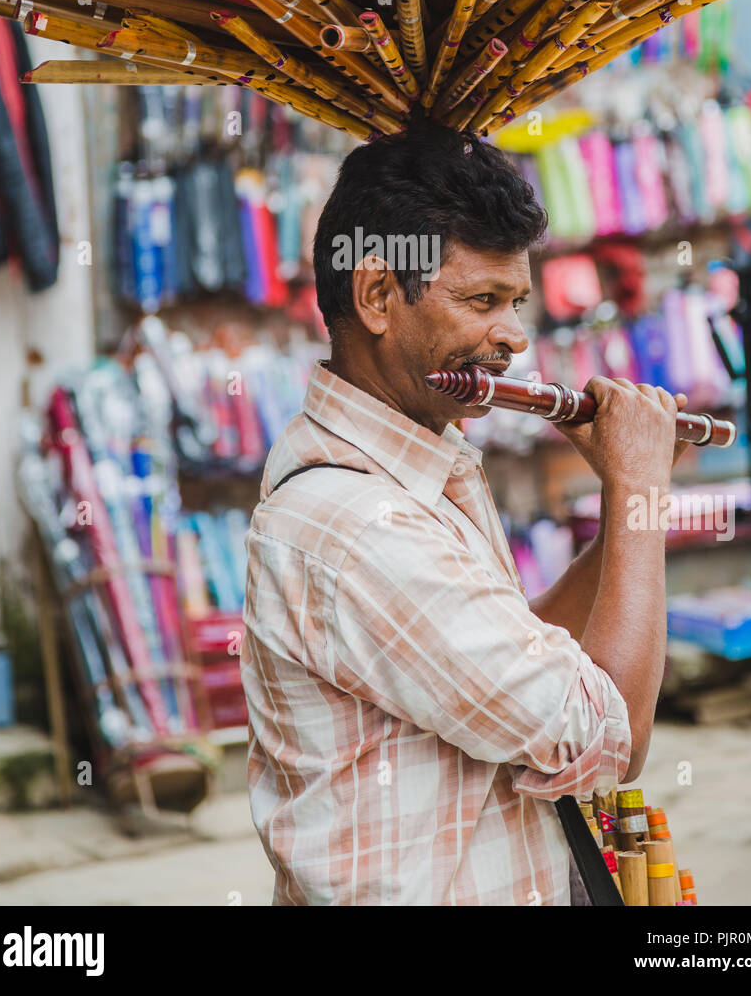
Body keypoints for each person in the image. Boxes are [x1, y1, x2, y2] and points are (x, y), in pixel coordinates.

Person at [240, 119, 688, 906]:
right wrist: (643, 493)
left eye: (515, 301)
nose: (512, 338)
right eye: (482, 300)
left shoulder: (426, 465)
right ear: (377, 294)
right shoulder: (358, 523)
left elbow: (520, 659)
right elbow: (614, 737)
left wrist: (625, 502)